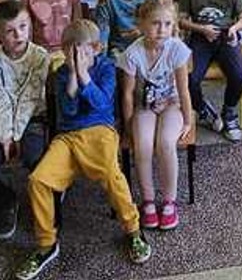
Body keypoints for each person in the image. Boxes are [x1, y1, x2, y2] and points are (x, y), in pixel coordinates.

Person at [16, 20, 153, 279]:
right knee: (38, 180)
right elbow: (67, 114)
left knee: (112, 173)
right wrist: (70, 88)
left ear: (96, 49)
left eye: (83, 53)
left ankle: (133, 230)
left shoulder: (106, 68)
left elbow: (102, 105)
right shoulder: (61, 75)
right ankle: (46, 244)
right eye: (70, 53)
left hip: (100, 131)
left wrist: (84, 77)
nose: (76, 59)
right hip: (67, 137)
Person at [0, 0, 51, 240]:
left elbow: (30, 97)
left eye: (23, 26)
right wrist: (6, 136)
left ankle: (45, 200)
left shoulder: (40, 56)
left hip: (33, 120)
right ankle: (6, 199)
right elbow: (1, 103)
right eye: (10, 30)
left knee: (36, 160)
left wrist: (15, 135)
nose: (18, 35)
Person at [118, 0, 196, 231]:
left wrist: (188, 120)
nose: (162, 30)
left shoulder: (177, 49)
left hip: (172, 105)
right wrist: (129, 124)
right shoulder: (133, 53)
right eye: (155, 23)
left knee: (165, 143)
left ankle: (169, 201)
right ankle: (148, 200)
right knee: (142, 143)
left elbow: (183, 90)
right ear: (141, 25)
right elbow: (128, 94)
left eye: (167, 24)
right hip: (145, 106)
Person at [179, 0, 242, 143]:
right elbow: (181, 20)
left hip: (226, 36)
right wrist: (201, 29)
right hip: (200, 38)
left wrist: (234, 28)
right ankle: (202, 108)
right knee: (190, 78)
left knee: (239, 76)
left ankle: (229, 112)